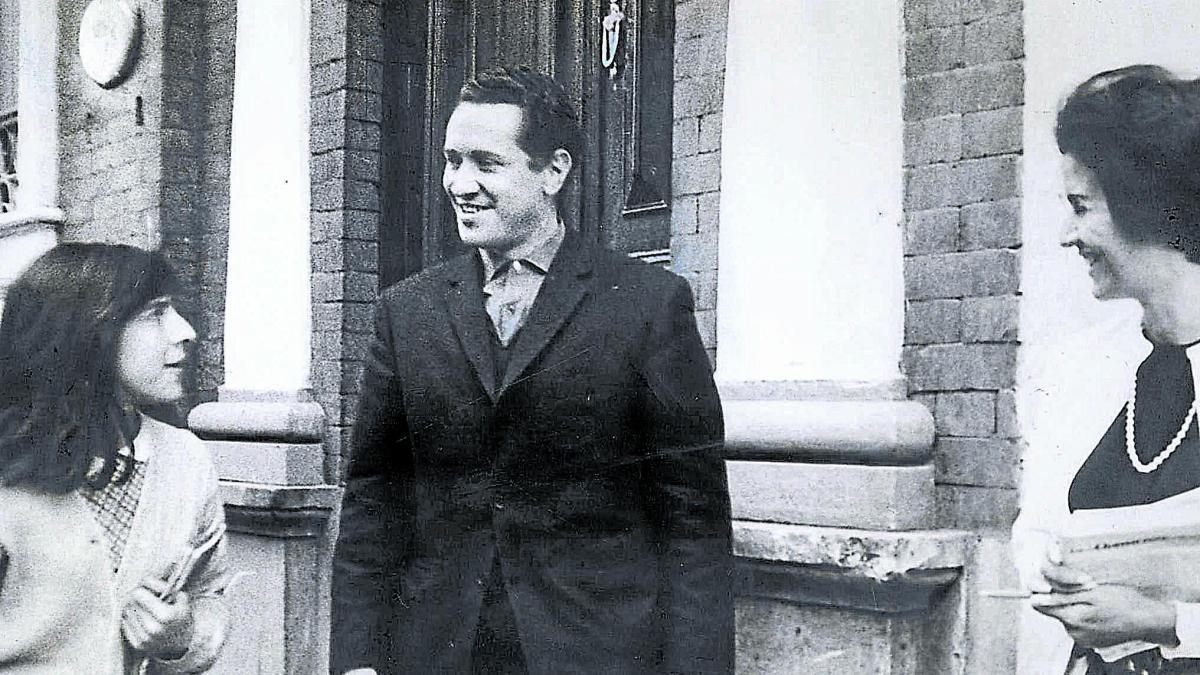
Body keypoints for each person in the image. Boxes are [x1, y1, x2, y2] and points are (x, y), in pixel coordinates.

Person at [330, 65, 733, 675]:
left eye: (486, 164)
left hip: (597, 655)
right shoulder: (405, 312)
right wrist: (357, 659)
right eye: (452, 161)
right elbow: (373, 499)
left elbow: (694, 522)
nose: (459, 184)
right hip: (436, 653)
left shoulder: (647, 306)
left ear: (554, 172)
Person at [1013, 65, 1200, 674]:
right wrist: (1053, 576)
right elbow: (1036, 528)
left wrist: (1164, 621)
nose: (1066, 235)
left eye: (1081, 207)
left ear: (1147, 205)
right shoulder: (1081, 367)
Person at [0, 243, 230, 674]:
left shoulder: (187, 460)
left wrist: (183, 636)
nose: (185, 331)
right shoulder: (7, 468)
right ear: (85, 330)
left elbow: (209, 595)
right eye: (155, 312)